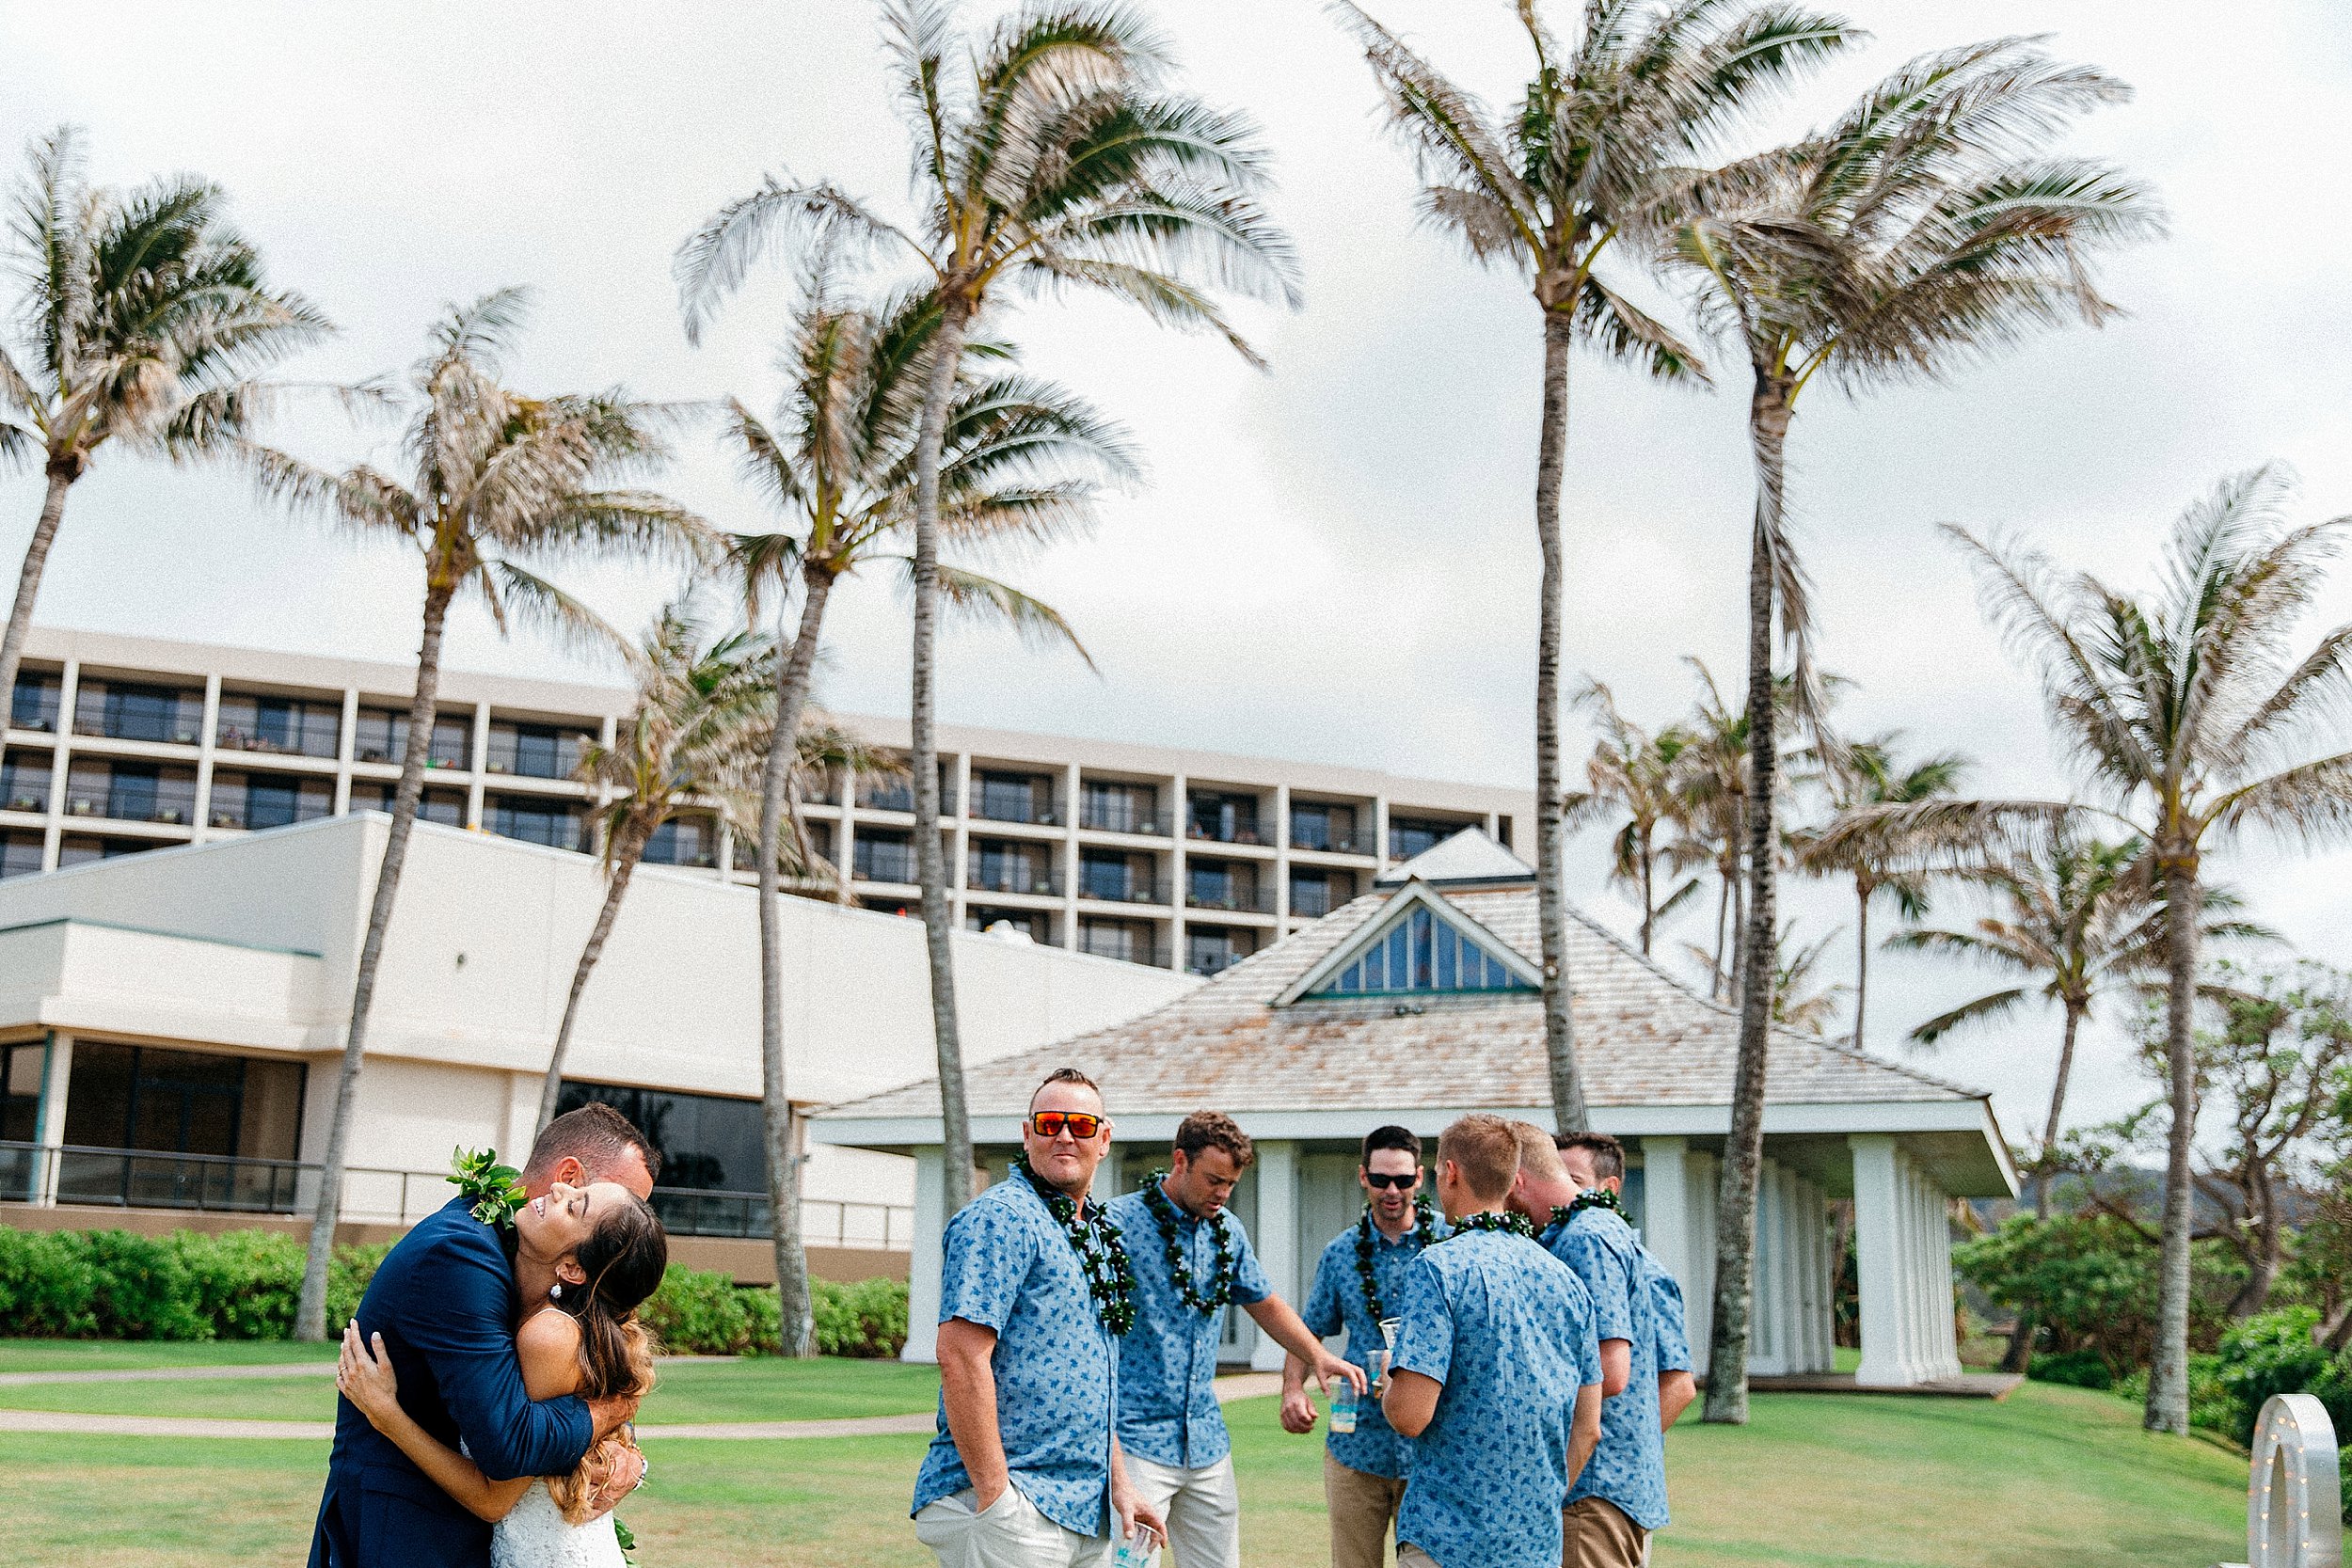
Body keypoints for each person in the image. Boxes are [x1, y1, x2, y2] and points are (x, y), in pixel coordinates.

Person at [309, 1103, 662, 1568]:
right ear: (571, 1174)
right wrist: (617, 1406)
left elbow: (560, 1396)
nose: (631, 1223)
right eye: (621, 1201)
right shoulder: (463, 1254)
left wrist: (625, 1434)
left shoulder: (548, 1310)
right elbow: (510, 1445)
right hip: (406, 1534)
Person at [914, 1068, 1167, 1568]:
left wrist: (1121, 1483)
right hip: (1016, 1505)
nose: (1066, 1135)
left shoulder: (1093, 1233)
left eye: (1081, 1125)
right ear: (1027, 1134)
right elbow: (961, 1357)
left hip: (1085, 1510)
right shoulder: (1002, 1218)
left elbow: (1092, 1381)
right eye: (1050, 1123)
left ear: (1105, 1139)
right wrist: (997, 1500)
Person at [1106, 1112, 1364, 1568]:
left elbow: (1265, 1303)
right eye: (1213, 1180)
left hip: (1207, 1443)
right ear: (1180, 1160)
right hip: (1136, 1440)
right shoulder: (1117, 1225)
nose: (1223, 1194)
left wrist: (1317, 1355)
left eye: (1231, 1184)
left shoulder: (1228, 1231)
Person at [1383, 1115, 1603, 1568]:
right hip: (1534, 1543)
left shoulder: (1438, 1269)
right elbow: (1588, 1428)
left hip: (1447, 1540)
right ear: (1510, 1181)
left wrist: (1390, 1374)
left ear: (1450, 1173)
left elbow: (1409, 1415)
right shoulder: (1568, 1282)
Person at [1281, 1124, 1444, 1568]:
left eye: (1403, 1180)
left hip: (1431, 1449)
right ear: (1362, 1177)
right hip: (1356, 1444)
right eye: (1380, 1180)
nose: (1392, 1191)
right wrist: (1292, 1390)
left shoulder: (1450, 1246)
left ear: (1421, 1178)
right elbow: (1306, 1330)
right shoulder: (1340, 1254)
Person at [1510, 1127, 1666, 1568]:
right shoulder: (1585, 1231)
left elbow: (1611, 1373)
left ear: (1518, 1181)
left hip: (1591, 1490)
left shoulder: (1586, 1239)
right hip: (1598, 1489)